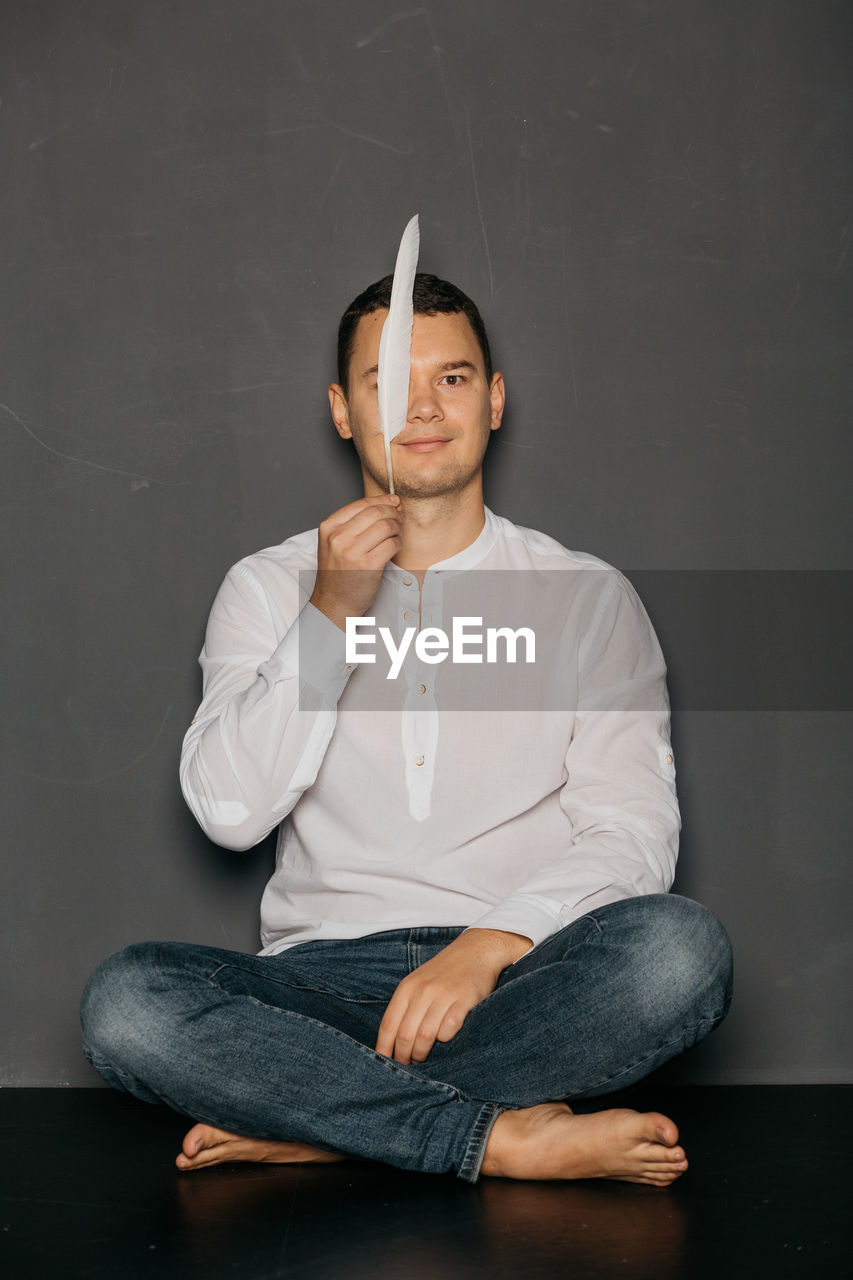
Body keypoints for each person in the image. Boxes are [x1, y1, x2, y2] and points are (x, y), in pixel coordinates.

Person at [81, 272, 732, 1186]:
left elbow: (632, 830)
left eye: (454, 378)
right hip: (319, 989)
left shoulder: (586, 595)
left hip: (520, 979)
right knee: (128, 1006)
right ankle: (488, 1138)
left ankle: (322, 1123)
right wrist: (329, 616)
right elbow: (229, 812)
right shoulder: (268, 588)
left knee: (678, 952)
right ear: (343, 410)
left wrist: (485, 947)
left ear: (495, 400)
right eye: (387, 383)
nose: (422, 408)